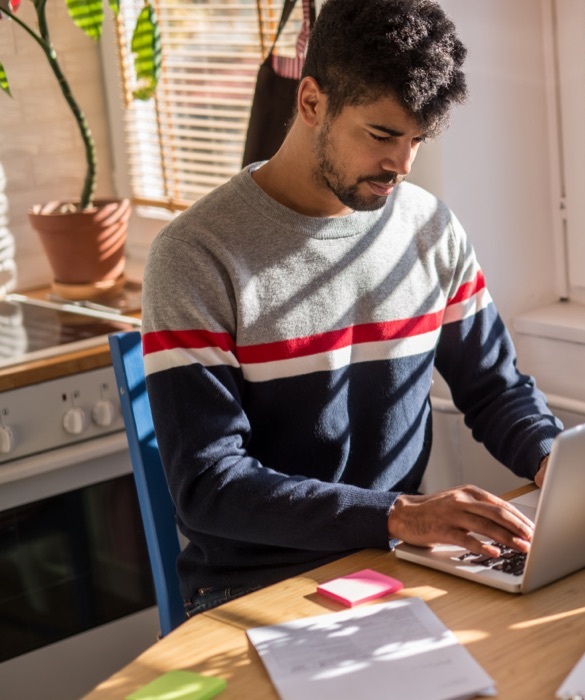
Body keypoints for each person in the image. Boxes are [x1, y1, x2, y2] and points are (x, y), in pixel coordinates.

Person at [140, 0, 562, 616]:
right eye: (383, 135)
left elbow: (495, 389)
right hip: (257, 584)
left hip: (394, 562)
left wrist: (556, 464)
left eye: (417, 139)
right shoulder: (197, 255)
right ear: (311, 102)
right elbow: (210, 487)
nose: (401, 165)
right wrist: (398, 515)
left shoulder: (429, 229)